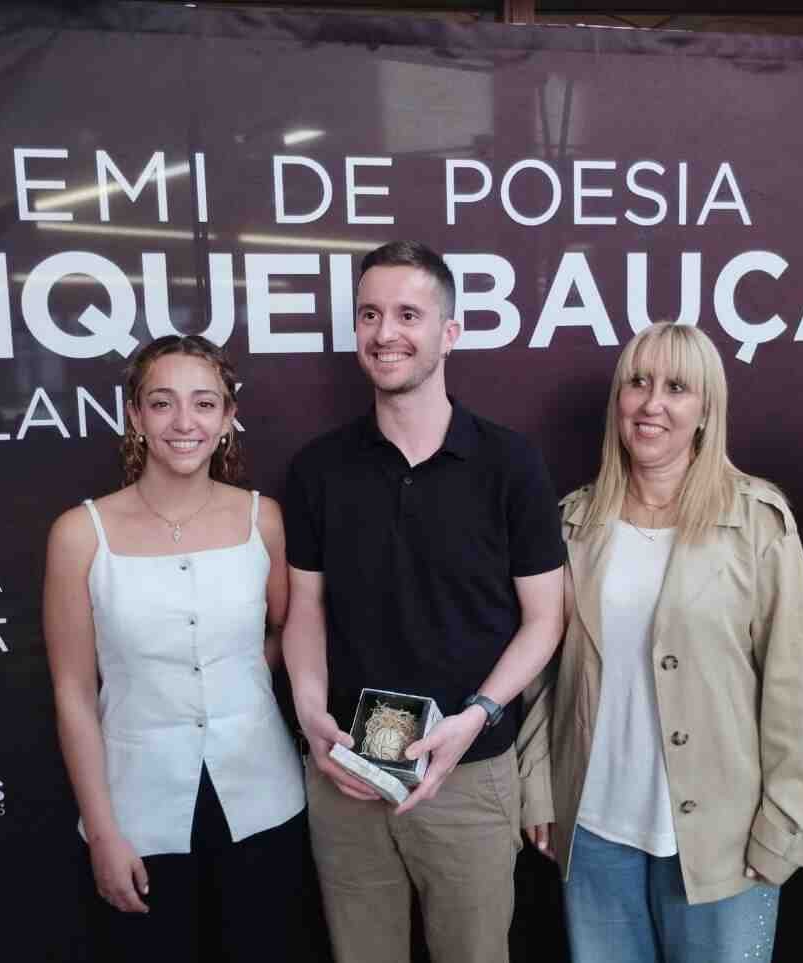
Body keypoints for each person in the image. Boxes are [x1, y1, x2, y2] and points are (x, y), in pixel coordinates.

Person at [282, 240, 565, 963]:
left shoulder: (511, 464)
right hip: (347, 770)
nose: (386, 333)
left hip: (469, 774)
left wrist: (478, 717)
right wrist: (310, 714)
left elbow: (545, 619)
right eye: (369, 314)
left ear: (449, 332)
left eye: (409, 314)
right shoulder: (318, 468)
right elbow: (305, 608)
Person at [518, 321, 803, 963]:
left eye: (677, 388)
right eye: (638, 383)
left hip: (724, 837)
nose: (652, 403)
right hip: (594, 826)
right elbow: (548, 673)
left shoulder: (758, 521)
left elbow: (793, 685)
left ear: (706, 410)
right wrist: (538, 785)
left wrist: (787, 822)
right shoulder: (574, 522)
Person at [43, 334, 325, 961]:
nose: (184, 422)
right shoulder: (79, 535)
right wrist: (103, 833)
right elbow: (73, 692)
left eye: (204, 403)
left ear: (227, 419)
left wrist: (235, 683)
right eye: (162, 402)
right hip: (137, 813)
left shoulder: (264, 520)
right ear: (135, 416)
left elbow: (287, 631)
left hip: (264, 800)